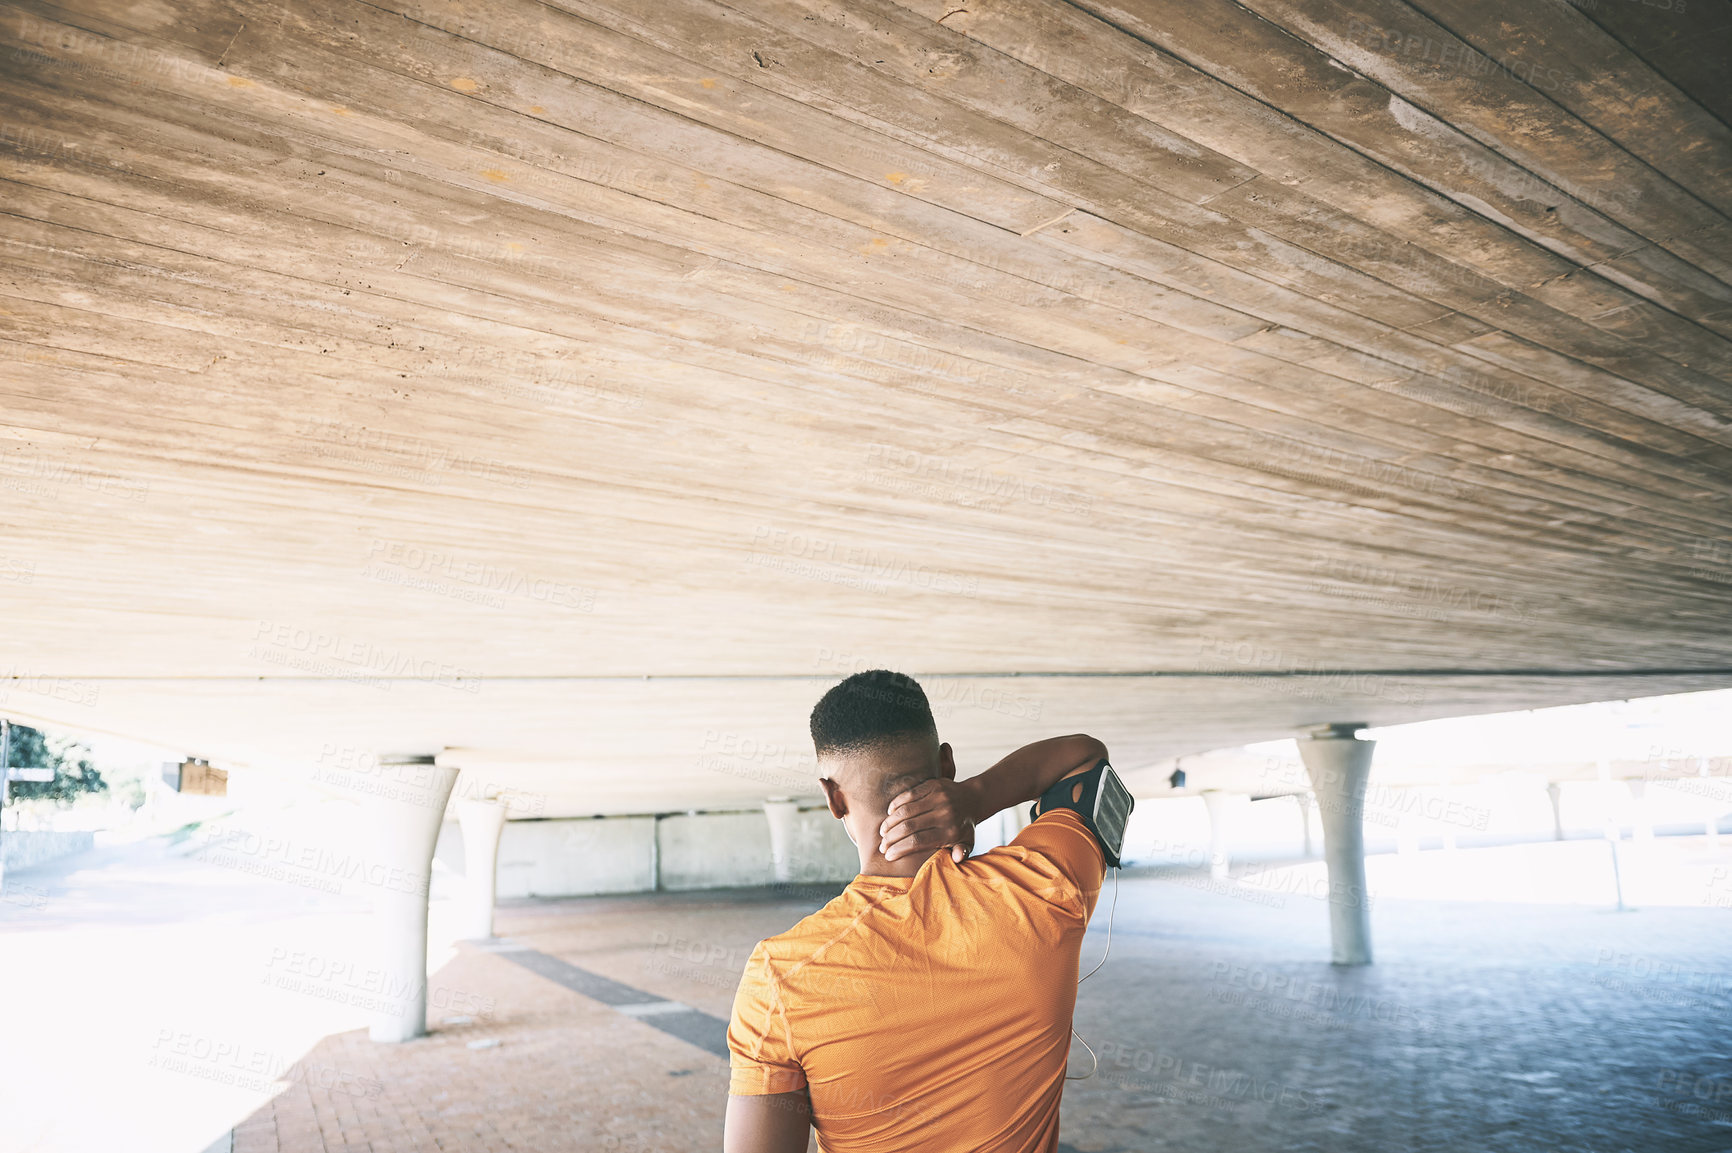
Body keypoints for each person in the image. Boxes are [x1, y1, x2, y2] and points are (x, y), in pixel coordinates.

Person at [723, 669, 1110, 1153]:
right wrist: (978, 796)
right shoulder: (1041, 889)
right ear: (946, 763)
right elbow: (1085, 756)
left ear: (833, 797)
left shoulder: (781, 976)